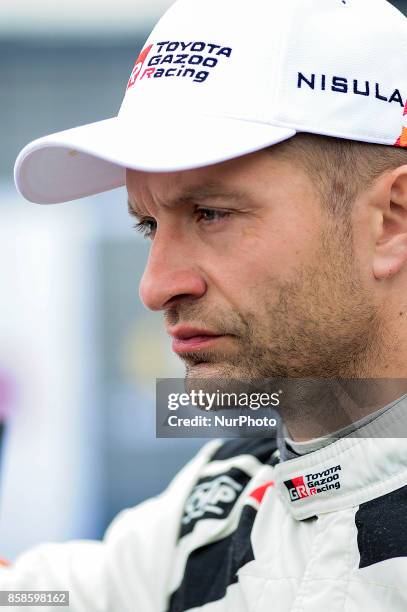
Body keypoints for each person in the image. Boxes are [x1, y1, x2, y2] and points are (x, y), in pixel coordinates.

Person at [5, 0, 407, 609]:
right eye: (148, 225)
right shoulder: (226, 495)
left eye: (211, 214)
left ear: (390, 221)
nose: (155, 286)